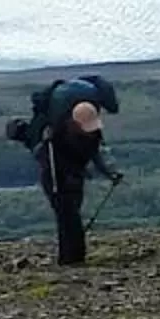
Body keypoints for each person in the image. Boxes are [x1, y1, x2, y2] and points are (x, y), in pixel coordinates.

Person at [39, 99, 121, 268]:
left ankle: (72, 257)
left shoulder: (93, 135)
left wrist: (109, 174)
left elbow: (95, 154)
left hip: (75, 178)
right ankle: (70, 258)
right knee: (67, 217)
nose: (90, 132)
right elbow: (48, 160)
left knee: (72, 215)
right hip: (56, 179)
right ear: (74, 123)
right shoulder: (56, 135)